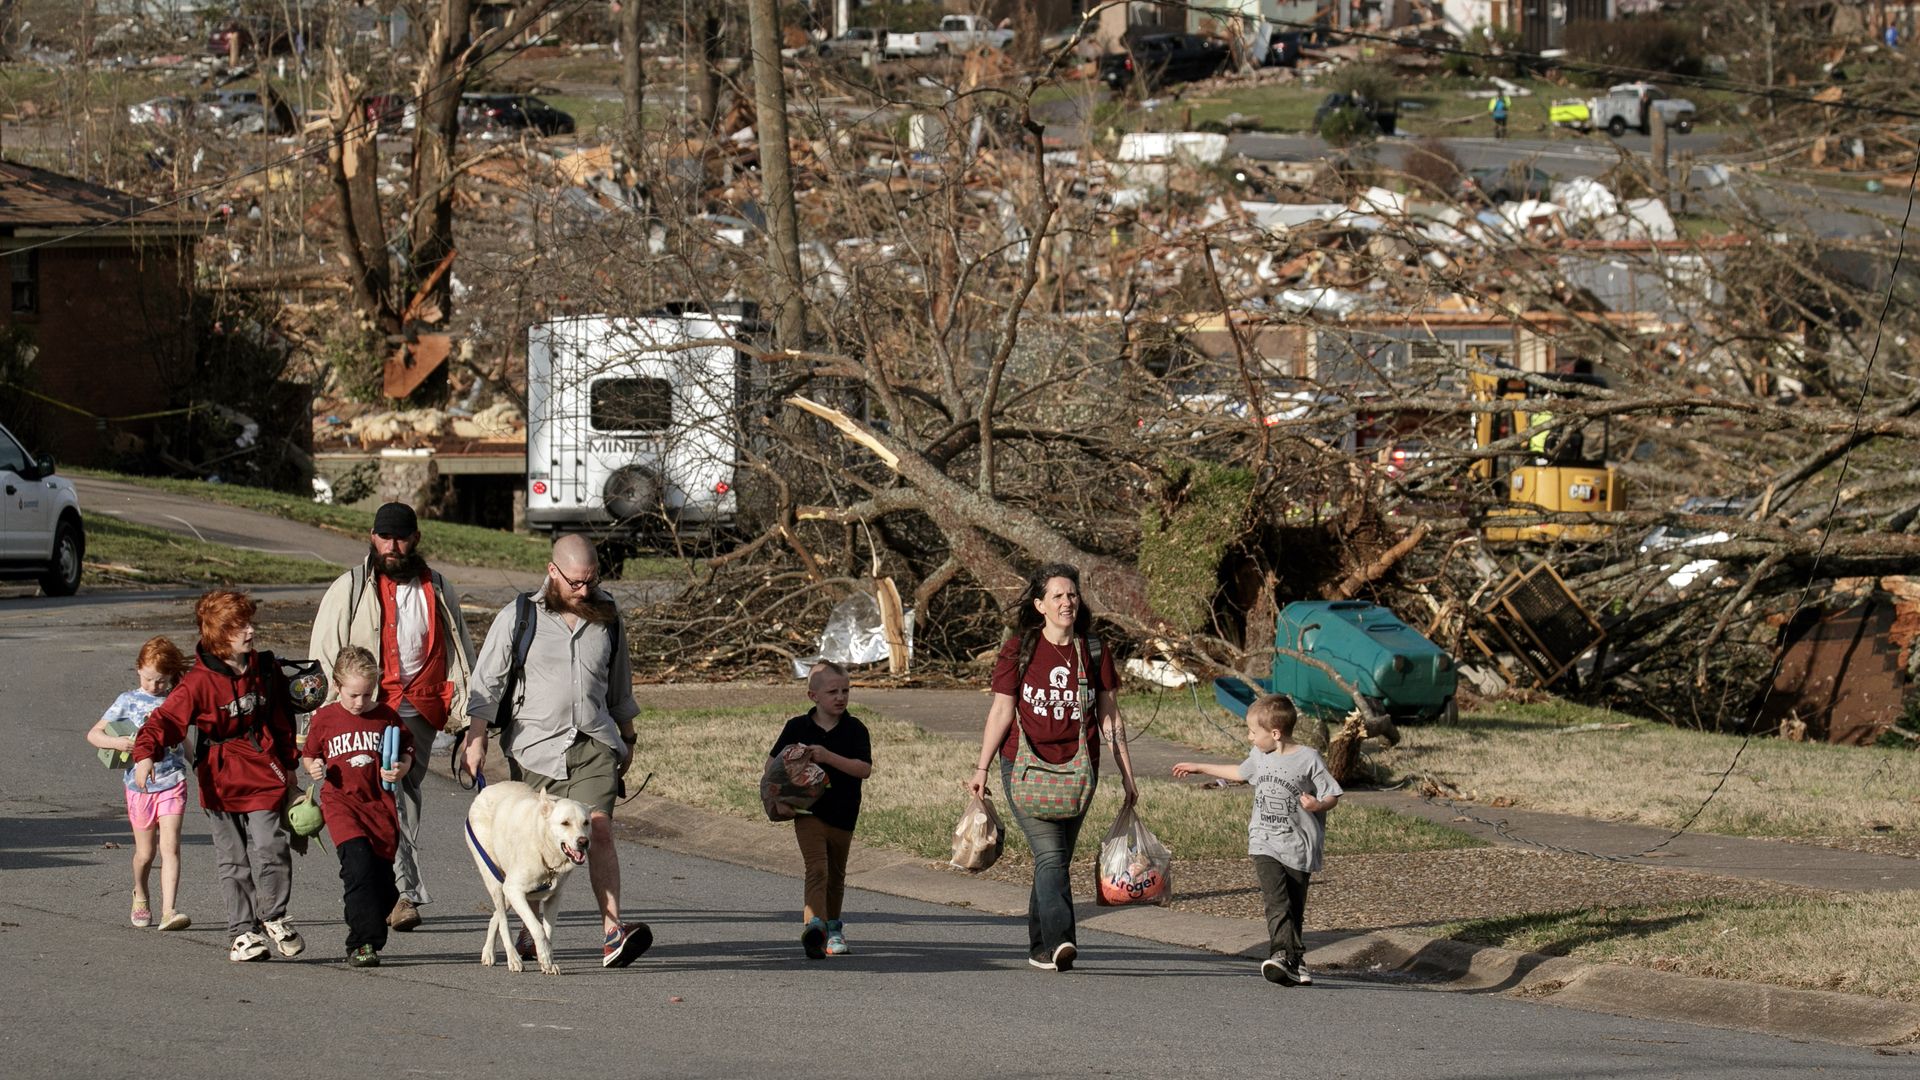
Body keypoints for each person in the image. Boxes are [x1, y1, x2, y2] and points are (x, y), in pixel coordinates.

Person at [463, 534, 652, 968]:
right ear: (553, 571)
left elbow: (619, 681)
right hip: (534, 748)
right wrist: (475, 737)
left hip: (594, 742)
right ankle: (535, 931)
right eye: (575, 582)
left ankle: (612, 933)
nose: (585, 590)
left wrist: (627, 735)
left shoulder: (607, 615)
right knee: (540, 843)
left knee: (597, 829)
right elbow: (487, 682)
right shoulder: (520, 616)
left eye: (592, 580)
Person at [309, 500, 475, 933]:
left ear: (416, 539)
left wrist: (468, 714)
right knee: (389, 791)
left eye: (401, 537)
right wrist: (317, 723)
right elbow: (324, 657)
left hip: (419, 707)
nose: (393, 545)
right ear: (373, 537)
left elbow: (459, 651)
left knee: (405, 794)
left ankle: (392, 887)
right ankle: (403, 892)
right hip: (366, 710)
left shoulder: (437, 587)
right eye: (385, 536)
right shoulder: (349, 588)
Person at [966, 563, 1139, 972]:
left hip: (1080, 770)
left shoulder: (1093, 650)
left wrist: (1128, 775)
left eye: (1072, 594)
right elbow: (1001, 711)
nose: (1067, 601)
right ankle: (1062, 941)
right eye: (1058, 595)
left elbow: (1111, 717)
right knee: (1051, 856)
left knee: (1054, 860)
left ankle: (1040, 946)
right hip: (1023, 766)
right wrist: (982, 769)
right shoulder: (1019, 649)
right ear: (1040, 604)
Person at [133, 590, 305, 963]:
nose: (251, 630)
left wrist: (290, 764)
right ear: (221, 633)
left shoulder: (264, 667)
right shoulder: (198, 681)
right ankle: (242, 934)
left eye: (249, 622)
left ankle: (273, 916)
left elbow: (280, 717)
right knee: (234, 860)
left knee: (272, 846)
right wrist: (145, 754)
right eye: (241, 625)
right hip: (220, 775)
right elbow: (163, 721)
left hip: (262, 770)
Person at [1172, 694, 1341, 986]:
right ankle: (1281, 955)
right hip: (1264, 841)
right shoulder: (1259, 757)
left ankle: (1295, 960)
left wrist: (1318, 805)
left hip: (1298, 845)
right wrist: (1200, 766)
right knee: (1276, 901)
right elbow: (1239, 773)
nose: (1249, 737)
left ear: (1275, 734)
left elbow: (1332, 793)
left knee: (1293, 906)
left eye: (1253, 732)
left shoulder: (1308, 758)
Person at [301, 645, 412, 967]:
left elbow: (406, 750)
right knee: (357, 870)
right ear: (337, 686)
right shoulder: (325, 718)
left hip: (380, 807)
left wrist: (401, 767)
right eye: (352, 695)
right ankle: (362, 943)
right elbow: (310, 754)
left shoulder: (386, 716)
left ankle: (378, 916)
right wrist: (313, 768)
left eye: (367, 694)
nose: (360, 702)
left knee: (382, 883)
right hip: (341, 805)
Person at [86, 636, 193, 932]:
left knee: (170, 847)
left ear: (172, 677)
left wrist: (198, 765)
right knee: (145, 854)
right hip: (140, 786)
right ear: (138, 670)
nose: (154, 686)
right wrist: (116, 741)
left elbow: (184, 738)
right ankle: (140, 892)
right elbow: (93, 735)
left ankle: (169, 910)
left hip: (172, 780)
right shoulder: (127, 700)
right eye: (148, 679)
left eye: (161, 681)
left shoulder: (175, 701)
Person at [770, 661, 873, 958]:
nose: (840, 697)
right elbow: (771, 767)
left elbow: (863, 769)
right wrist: (780, 797)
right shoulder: (797, 727)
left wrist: (827, 756)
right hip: (808, 812)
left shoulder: (855, 729)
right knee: (817, 869)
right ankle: (814, 926)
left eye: (845, 691)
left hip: (844, 814)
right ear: (813, 696)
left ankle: (833, 928)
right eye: (832, 692)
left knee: (836, 875)